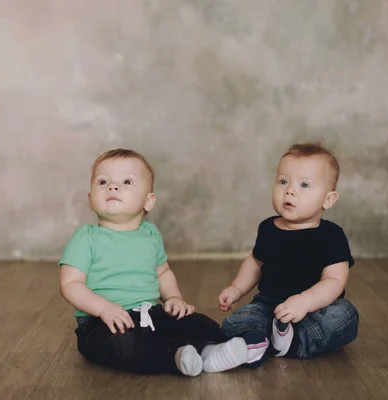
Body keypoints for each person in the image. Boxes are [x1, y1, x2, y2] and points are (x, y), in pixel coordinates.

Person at [59, 149, 260, 376]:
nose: (112, 187)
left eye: (126, 182)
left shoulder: (150, 234)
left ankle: (212, 352)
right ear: (90, 200)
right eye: (103, 181)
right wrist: (104, 309)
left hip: (149, 313)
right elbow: (71, 284)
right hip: (102, 323)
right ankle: (176, 357)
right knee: (123, 343)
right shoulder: (86, 237)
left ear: (148, 201)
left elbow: (163, 273)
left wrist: (173, 298)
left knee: (197, 323)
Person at [218, 142, 359, 367]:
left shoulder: (331, 235)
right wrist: (236, 288)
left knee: (344, 315)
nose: (289, 190)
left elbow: (334, 281)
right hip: (268, 306)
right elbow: (255, 262)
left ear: (328, 199)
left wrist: (304, 302)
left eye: (304, 185)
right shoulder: (268, 228)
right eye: (283, 181)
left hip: (313, 312)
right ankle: (257, 343)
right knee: (239, 320)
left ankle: (294, 341)